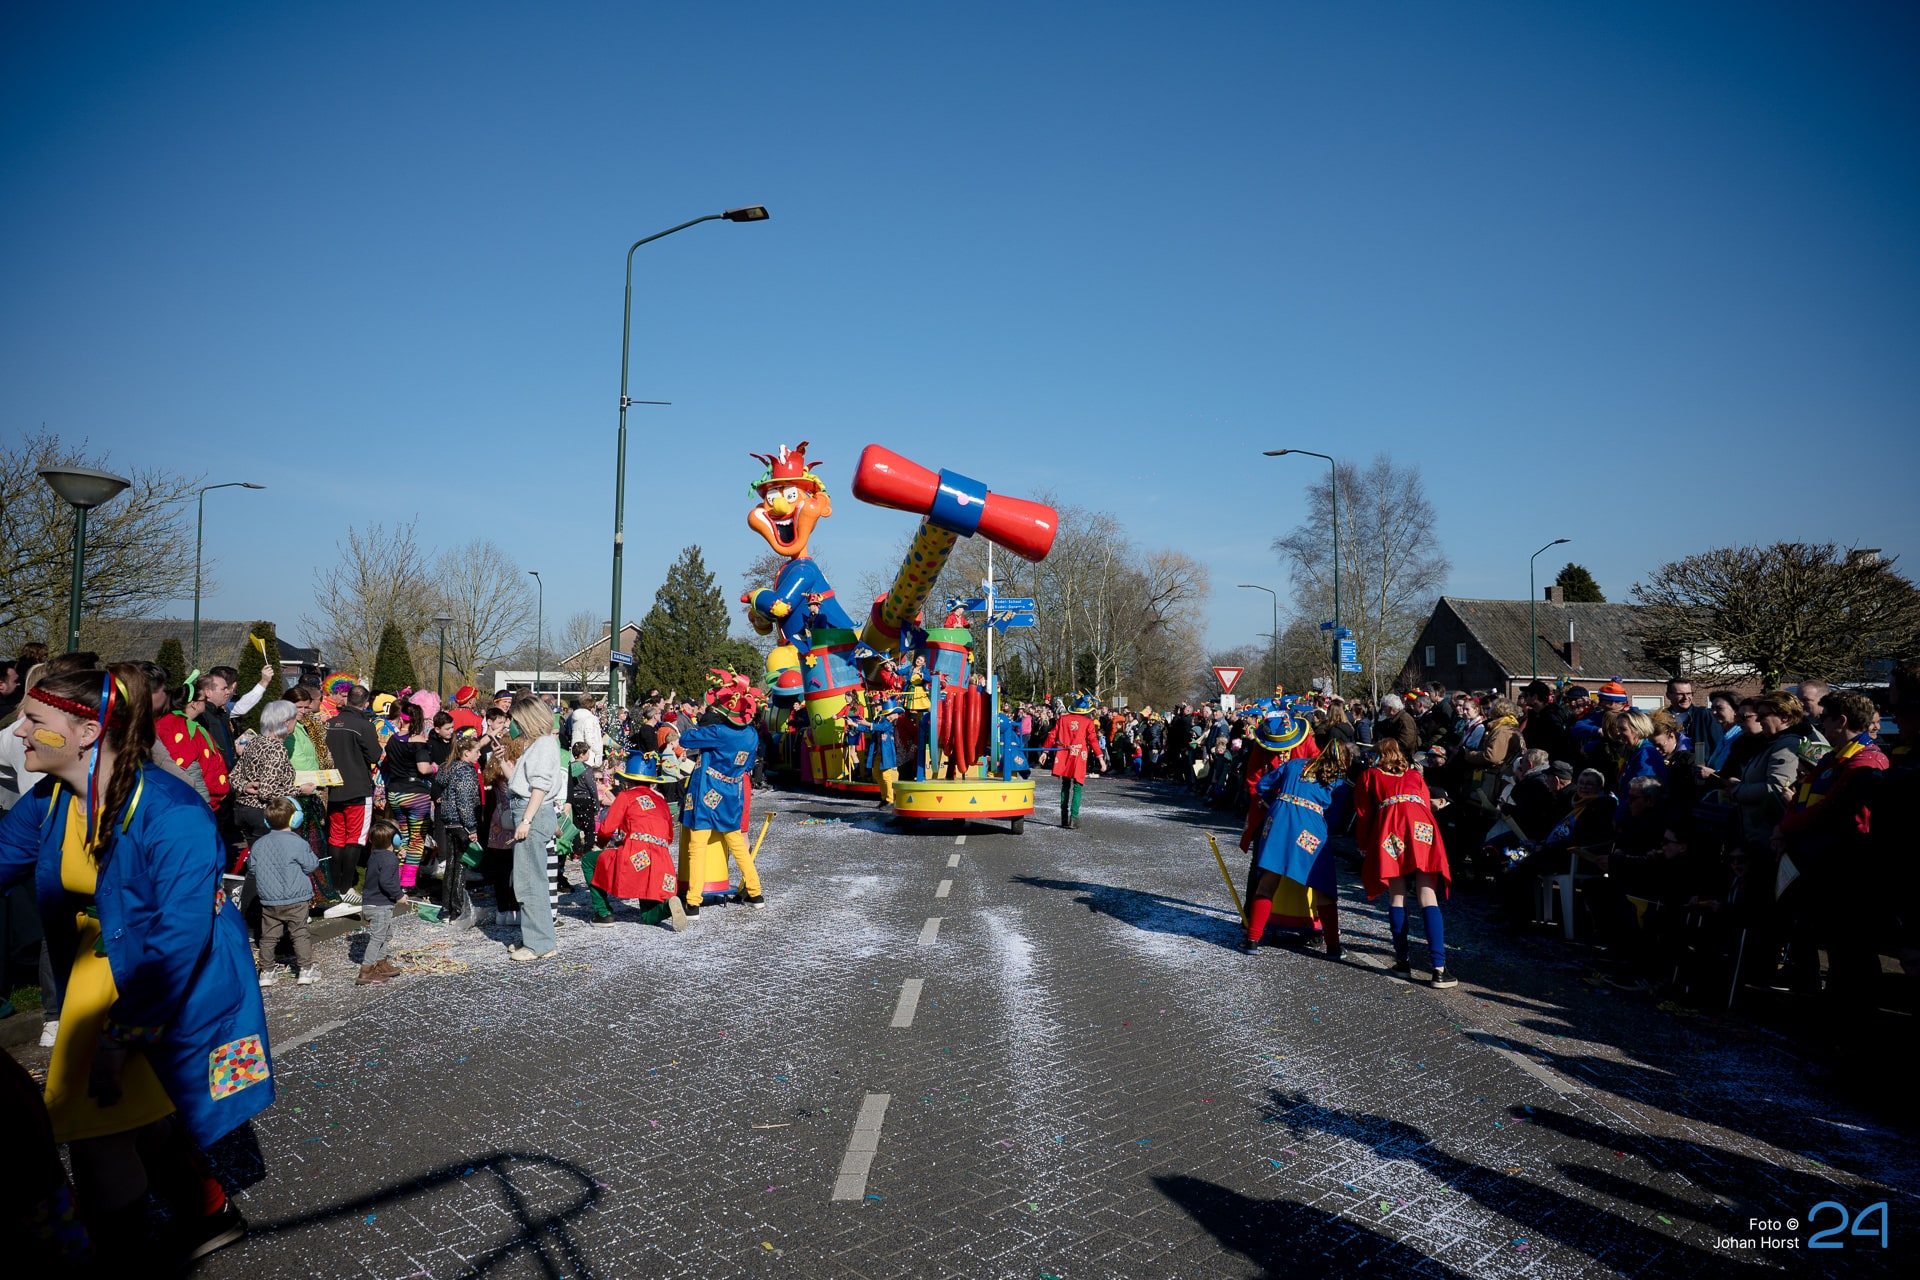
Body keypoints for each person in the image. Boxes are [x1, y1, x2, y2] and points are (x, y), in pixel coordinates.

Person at [0, 664, 268, 1264]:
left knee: (97, 1133)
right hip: (97, 978)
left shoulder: (172, 811)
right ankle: (208, 1215)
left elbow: (178, 938)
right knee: (137, 1118)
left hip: (163, 985)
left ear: (87, 732)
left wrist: (123, 1035)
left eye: (34, 720)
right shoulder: (49, 800)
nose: (19, 732)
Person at [1356, 737, 1456, 986]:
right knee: (1427, 894)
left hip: (1392, 827)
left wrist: (1364, 845)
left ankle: (1403, 962)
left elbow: (1364, 813)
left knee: (1397, 895)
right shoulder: (1414, 775)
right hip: (1422, 826)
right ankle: (1439, 969)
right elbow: (1425, 802)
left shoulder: (1370, 775)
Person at [1245, 740, 1353, 957]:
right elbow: (1335, 819)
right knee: (1323, 888)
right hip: (1309, 830)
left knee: (1267, 883)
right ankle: (1333, 946)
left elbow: (1263, 786)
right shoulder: (1338, 780)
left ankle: (1252, 941)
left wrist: (1275, 803)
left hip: (1279, 823)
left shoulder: (1294, 764)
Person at [675, 672, 766, 914]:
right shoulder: (751, 734)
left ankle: (693, 902)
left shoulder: (719, 731)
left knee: (697, 845)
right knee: (736, 843)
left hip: (708, 790)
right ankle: (755, 892)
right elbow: (748, 765)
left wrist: (703, 721)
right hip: (732, 791)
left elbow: (686, 739)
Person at [592, 751, 687, 930]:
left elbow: (606, 829)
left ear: (628, 780)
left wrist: (600, 845)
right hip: (662, 862)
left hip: (637, 856)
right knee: (647, 916)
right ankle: (668, 905)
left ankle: (603, 913)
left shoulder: (626, 797)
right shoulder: (661, 801)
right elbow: (668, 837)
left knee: (590, 861)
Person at [501, 695, 564, 959]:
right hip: (532, 812)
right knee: (531, 878)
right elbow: (526, 784)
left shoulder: (543, 745)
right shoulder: (540, 744)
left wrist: (526, 820)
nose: (512, 725)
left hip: (532, 814)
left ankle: (538, 944)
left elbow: (539, 787)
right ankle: (537, 938)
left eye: (515, 720)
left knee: (529, 881)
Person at [324, 684, 383, 906]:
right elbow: (375, 755)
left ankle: (334, 886)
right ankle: (345, 886)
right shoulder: (364, 725)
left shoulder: (329, 724)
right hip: (357, 788)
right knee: (355, 838)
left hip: (334, 787)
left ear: (347, 700)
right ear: (366, 704)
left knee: (336, 837)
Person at [252, 797, 319, 986]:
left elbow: (253, 868)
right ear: (295, 819)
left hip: (269, 899)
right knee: (299, 933)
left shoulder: (259, 844)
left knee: (268, 936)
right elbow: (311, 865)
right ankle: (305, 970)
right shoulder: (298, 842)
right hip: (296, 898)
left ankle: (266, 972)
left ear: (267, 821)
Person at [229, 700, 300, 853]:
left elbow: (233, 777)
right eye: (295, 718)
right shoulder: (277, 749)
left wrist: (245, 787)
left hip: (243, 810)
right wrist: (300, 790)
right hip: (263, 814)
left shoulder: (255, 741)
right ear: (287, 722)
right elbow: (266, 793)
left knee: (254, 859)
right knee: (265, 861)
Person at [434, 727, 484, 928]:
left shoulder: (449, 768)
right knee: (461, 866)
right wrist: (472, 828)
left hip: (449, 820)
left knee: (451, 865)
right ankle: (457, 909)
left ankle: (446, 909)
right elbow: (464, 802)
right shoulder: (465, 772)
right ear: (466, 753)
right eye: (476, 751)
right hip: (461, 822)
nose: (479, 754)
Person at [356, 821, 406, 985]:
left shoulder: (376, 855)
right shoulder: (389, 859)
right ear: (395, 839)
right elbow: (386, 881)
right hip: (380, 906)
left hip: (371, 903)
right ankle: (366, 970)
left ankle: (381, 962)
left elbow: (383, 871)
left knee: (386, 934)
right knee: (378, 937)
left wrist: (396, 858)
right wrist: (399, 895)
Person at [1041, 694, 1099, 828]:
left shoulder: (1063, 719)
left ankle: (1064, 816)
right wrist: (1100, 757)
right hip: (1079, 755)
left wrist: (1045, 751)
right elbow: (1093, 740)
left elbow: (1052, 735)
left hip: (1064, 754)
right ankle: (1074, 818)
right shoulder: (1088, 722)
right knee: (1078, 786)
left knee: (1065, 785)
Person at [1665, 678, 1720, 758]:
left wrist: (1704, 763)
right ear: (1668, 695)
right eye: (1680, 694)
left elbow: (1718, 745)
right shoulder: (1662, 717)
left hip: (1699, 764)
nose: (1686, 698)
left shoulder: (1703, 715)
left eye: (1689, 693)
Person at [568, 694, 605, 769]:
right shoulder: (589, 719)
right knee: (588, 775)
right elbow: (589, 740)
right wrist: (598, 752)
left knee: (577, 774)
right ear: (592, 708)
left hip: (577, 754)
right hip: (588, 756)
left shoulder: (576, 718)